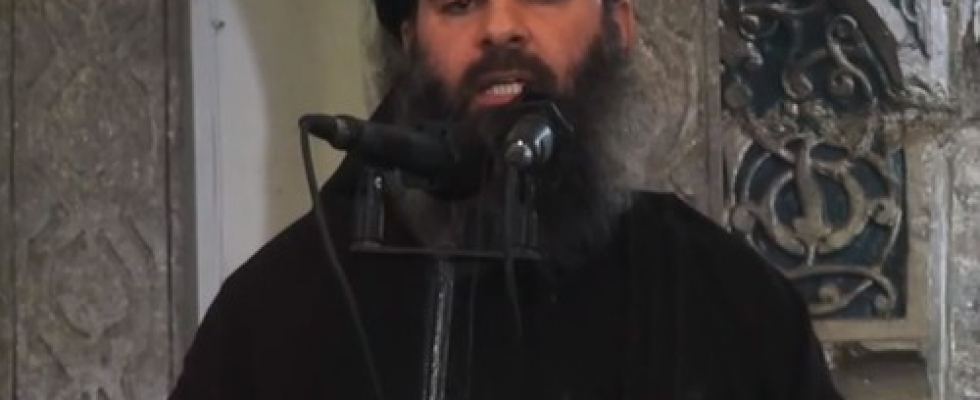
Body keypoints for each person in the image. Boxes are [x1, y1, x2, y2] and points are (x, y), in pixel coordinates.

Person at [170, 0, 843, 399]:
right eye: (458, 2)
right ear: (410, 41)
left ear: (617, 25)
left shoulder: (722, 299)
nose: (498, 26)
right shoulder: (284, 310)